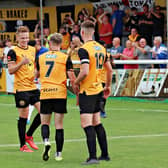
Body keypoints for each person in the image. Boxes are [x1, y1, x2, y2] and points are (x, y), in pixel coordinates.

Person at [74, 20, 112, 165]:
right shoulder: (101, 47)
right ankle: (105, 154)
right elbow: (109, 69)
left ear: (82, 32)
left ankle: (92, 157)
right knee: (97, 122)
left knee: (87, 124)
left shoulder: (83, 49)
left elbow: (84, 71)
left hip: (87, 91)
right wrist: (107, 86)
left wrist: (75, 83)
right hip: (98, 89)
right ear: (94, 32)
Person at [36, 33, 77, 161]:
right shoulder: (65, 58)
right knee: (59, 125)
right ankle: (59, 154)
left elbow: (36, 74)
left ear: (49, 43)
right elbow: (72, 77)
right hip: (59, 93)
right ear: (61, 44)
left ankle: (46, 141)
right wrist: (77, 92)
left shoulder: (41, 57)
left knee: (45, 123)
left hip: (46, 93)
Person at [7, 26, 41, 152]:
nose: (25, 40)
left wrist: (36, 74)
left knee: (44, 112)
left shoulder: (32, 49)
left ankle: (29, 135)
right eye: (22, 38)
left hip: (33, 87)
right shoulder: (13, 51)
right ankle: (23, 145)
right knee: (24, 116)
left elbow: (33, 66)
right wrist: (21, 62)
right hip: (21, 88)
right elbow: (10, 70)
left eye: (26, 37)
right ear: (17, 38)